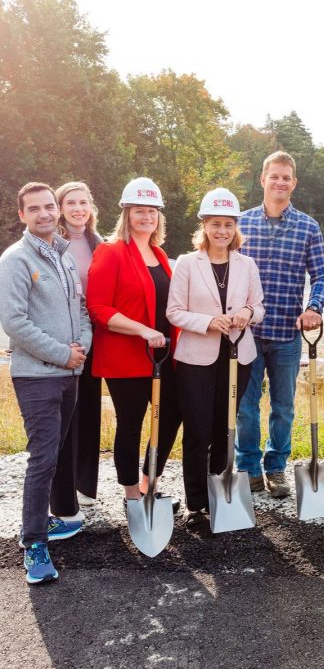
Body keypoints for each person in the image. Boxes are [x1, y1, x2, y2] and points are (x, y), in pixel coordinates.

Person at [0, 182, 91, 585]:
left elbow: (82, 311)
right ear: (22, 215)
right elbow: (14, 323)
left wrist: (81, 349)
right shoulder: (16, 259)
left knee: (54, 452)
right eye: (34, 209)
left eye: (49, 206)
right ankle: (34, 541)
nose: (44, 214)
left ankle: (43, 524)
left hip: (70, 372)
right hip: (37, 376)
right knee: (43, 458)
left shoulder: (65, 257)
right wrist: (61, 353)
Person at [167, 188, 265, 526]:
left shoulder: (247, 264)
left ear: (235, 226)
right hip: (197, 359)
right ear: (204, 227)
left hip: (239, 356)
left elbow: (259, 307)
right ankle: (196, 503)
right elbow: (174, 312)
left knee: (225, 428)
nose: (221, 231)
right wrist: (208, 322)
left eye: (227, 224)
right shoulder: (186, 264)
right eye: (214, 224)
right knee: (197, 429)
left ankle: (220, 494)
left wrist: (247, 312)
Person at [236, 151, 324, 498]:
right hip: (245, 334)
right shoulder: (240, 224)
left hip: (287, 334)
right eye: (274, 176)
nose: (280, 182)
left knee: (284, 406)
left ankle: (276, 467)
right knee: (245, 407)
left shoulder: (307, 226)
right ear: (263, 180)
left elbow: (321, 274)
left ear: (294, 183)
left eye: (286, 178)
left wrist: (314, 306)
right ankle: (247, 466)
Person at [87, 177, 182, 508]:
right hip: (126, 357)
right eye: (139, 211)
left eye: (152, 212)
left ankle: (148, 483)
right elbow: (98, 308)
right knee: (131, 423)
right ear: (126, 214)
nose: (147, 218)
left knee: (170, 416)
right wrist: (141, 330)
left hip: (162, 355)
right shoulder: (110, 251)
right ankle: (131, 495)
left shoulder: (159, 254)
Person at [55, 181, 103, 508]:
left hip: (94, 338)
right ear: (60, 208)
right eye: (70, 202)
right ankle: (62, 484)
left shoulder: (100, 244)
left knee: (89, 407)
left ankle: (86, 484)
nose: (77, 208)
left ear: (91, 207)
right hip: (61, 339)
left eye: (83, 202)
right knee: (63, 413)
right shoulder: (51, 244)